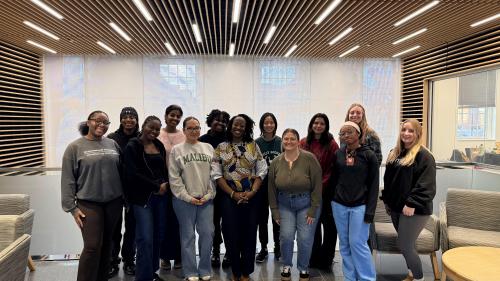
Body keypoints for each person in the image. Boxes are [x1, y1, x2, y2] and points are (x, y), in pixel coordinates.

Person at [61, 110, 123, 281]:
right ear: (88, 122)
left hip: (113, 202)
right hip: (89, 203)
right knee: (92, 246)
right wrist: (72, 208)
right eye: (98, 121)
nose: (102, 125)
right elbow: (68, 179)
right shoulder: (75, 147)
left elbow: (121, 172)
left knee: (107, 246)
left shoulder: (112, 144)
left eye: (106, 123)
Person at [211, 114, 267, 281]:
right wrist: (233, 194)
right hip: (228, 195)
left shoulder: (253, 145)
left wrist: (253, 192)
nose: (238, 128)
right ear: (230, 126)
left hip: (251, 194)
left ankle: (246, 272)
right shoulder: (221, 147)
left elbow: (261, 171)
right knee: (230, 232)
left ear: (246, 128)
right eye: (236, 124)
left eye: (242, 125)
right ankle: (235, 271)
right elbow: (216, 174)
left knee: (249, 232)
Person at [382, 119, 436, 281]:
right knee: (408, 245)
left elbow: (426, 185)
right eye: (404, 129)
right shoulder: (395, 153)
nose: (406, 133)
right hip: (396, 208)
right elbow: (389, 181)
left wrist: (412, 203)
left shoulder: (424, 155)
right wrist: (387, 201)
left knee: (404, 244)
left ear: (418, 134)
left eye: (411, 131)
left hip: (415, 210)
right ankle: (412, 273)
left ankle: (419, 278)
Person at [268, 128, 322, 281]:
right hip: (284, 204)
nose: (289, 141)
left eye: (292, 139)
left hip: (306, 204)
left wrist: (313, 210)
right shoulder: (276, 162)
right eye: (286, 138)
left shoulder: (310, 159)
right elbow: (271, 189)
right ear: (282, 141)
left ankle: (303, 268)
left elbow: (318, 185)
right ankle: (286, 265)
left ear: (298, 141)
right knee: (285, 237)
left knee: (305, 238)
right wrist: (275, 211)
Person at [330, 121, 379, 281]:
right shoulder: (339, 154)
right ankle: (350, 278)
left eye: (349, 132)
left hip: (360, 206)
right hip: (339, 205)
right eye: (342, 133)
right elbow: (334, 179)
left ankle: (367, 278)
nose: (345, 136)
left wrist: (370, 211)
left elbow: (373, 185)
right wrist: (332, 199)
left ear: (358, 134)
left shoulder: (369, 155)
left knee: (357, 244)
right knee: (344, 244)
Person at [169, 117, 216, 281]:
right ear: (184, 130)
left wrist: (209, 194)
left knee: (207, 234)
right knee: (187, 236)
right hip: (184, 201)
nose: (194, 131)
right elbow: (174, 179)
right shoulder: (177, 150)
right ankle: (190, 271)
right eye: (190, 128)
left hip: (206, 200)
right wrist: (187, 197)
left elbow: (214, 174)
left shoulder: (208, 148)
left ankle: (204, 269)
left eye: (197, 128)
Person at [124, 116, 168, 281]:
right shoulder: (133, 146)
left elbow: (163, 169)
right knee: (145, 239)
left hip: (161, 198)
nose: (154, 132)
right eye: (151, 127)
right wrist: (156, 187)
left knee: (158, 236)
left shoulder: (158, 145)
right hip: (142, 199)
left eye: (157, 129)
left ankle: (151, 272)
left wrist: (165, 184)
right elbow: (132, 174)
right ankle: (143, 277)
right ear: (143, 126)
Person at [300, 113, 339, 270]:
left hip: (327, 192)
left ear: (326, 126)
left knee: (329, 227)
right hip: (308, 192)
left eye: (322, 123)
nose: (318, 126)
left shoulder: (332, 144)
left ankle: (327, 259)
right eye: (316, 123)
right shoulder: (303, 142)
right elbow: (299, 166)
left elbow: (333, 169)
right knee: (312, 227)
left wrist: (320, 187)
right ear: (311, 124)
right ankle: (313, 258)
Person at [107, 107, 140, 277]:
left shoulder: (141, 138)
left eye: (132, 117)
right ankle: (112, 260)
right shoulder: (111, 139)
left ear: (137, 120)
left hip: (134, 192)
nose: (129, 120)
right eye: (125, 117)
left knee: (132, 228)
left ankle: (129, 260)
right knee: (114, 228)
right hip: (114, 191)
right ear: (120, 120)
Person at [199, 109, 231, 267]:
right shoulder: (202, 140)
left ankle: (230, 253)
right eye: (217, 120)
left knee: (228, 221)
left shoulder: (229, 139)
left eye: (224, 121)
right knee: (213, 222)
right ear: (210, 121)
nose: (221, 123)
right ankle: (216, 251)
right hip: (209, 186)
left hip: (228, 187)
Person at [157, 104, 184, 270]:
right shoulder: (158, 134)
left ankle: (180, 256)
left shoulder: (183, 135)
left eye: (177, 116)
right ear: (166, 116)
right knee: (164, 221)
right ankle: (165, 257)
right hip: (162, 183)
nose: (174, 118)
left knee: (180, 221)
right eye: (172, 115)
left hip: (181, 183)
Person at [255, 112, 282, 262]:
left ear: (275, 124)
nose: (269, 125)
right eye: (266, 122)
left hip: (277, 186)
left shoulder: (281, 142)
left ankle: (278, 247)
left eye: (271, 122)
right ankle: (264, 247)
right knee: (262, 219)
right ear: (262, 125)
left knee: (277, 218)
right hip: (261, 186)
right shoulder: (256, 143)